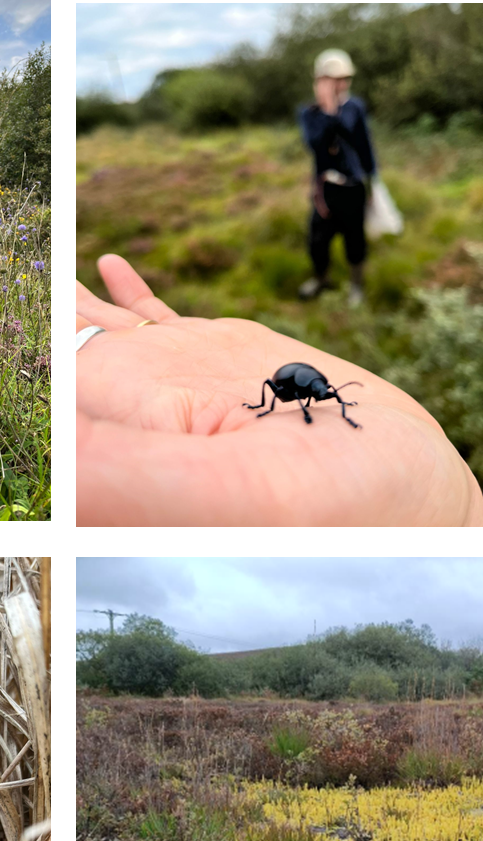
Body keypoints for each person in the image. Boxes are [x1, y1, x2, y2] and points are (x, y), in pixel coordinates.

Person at [75, 254, 483, 526]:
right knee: (279, 391)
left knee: (332, 394)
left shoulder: (320, 389)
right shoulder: (296, 389)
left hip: (301, 376)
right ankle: (270, 398)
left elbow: (323, 390)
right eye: (319, 397)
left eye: (323, 396)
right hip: (286, 379)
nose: (324, 397)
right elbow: (289, 386)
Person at [298, 49, 377, 308]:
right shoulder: (310, 113)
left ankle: (357, 285)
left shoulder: (354, 107)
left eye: (344, 79)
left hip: (352, 186)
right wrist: (327, 111)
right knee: (317, 239)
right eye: (335, 79)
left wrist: (372, 178)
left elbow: (361, 142)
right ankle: (321, 279)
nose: (341, 84)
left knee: (355, 238)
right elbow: (315, 145)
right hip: (324, 189)